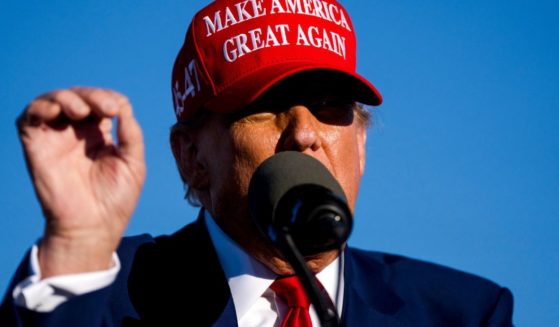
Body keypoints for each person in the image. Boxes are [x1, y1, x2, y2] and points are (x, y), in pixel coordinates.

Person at [1, 0, 514, 326]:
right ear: (191, 157)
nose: (306, 133)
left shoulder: (463, 312)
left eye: (331, 106)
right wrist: (77, 247)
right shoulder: (102, 296)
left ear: (361, 144)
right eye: (265, 109)